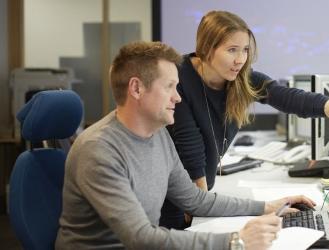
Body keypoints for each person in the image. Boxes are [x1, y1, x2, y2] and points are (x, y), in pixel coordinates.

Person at [55, 41, 315, 249]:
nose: (178, 97)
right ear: (136, 89)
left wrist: (266, 207)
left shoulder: (157, 134)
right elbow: (141, 238)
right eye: (169, 87)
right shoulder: (100, 150)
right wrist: (237, 242)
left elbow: (194, 200)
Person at [160, 10, 329, 229]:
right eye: (232, 50)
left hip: (201, 200)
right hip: (174, 204)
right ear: (207, 48)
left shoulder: (240, 79)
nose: (240, 59)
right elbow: (191, 155)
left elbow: (293, 99)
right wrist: (203, 214)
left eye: (245, 50)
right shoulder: (179, 78)